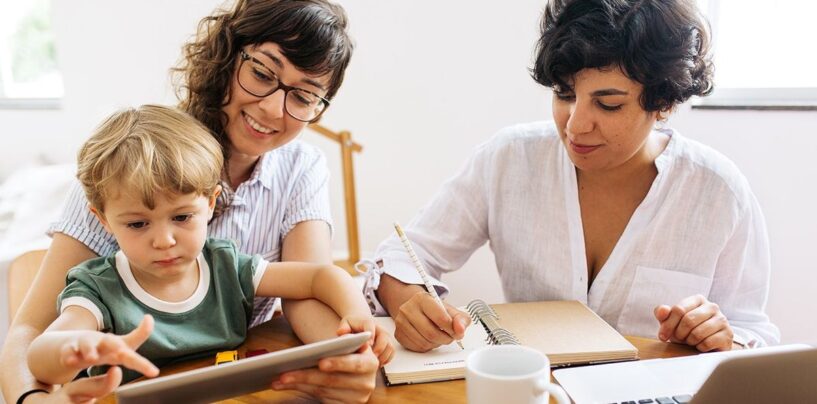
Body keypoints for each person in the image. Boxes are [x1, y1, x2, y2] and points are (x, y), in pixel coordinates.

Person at [1, 1, 391, 403]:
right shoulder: (133, 162)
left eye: (305, 96)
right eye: (261, 73)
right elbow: (32, 333)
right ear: (225, 56)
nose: (273, 108)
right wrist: (32, 399)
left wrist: (345, 360)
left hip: (231, 381)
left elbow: (306, 290)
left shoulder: (301, 167)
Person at [363, 0, 780, 354]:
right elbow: (402, 254)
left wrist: (723, 337)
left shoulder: (718, 192)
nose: (575, 125)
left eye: (609, 104)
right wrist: (409, 300)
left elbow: (753, 331)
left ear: (664, 102)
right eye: (564, 94)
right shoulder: (509, 159)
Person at [26, 104, 385, 386]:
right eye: (137, 224)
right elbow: (41, 352)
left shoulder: (225, 265)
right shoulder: (97, 289)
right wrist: (76, 348)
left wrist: (359, 316)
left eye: (182, 218)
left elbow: (319, 277)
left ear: (211, 203)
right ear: (103, 220)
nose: (164, 240)